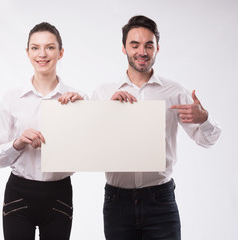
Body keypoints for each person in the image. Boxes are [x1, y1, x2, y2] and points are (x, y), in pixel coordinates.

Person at [92, 15, 221, 240]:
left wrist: (204, 118)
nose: (142, 51)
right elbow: (89, 147)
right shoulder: (103, 93)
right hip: (117, 202)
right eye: (135, 45)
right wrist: (107, 113)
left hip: (160, 200)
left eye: (148, 45)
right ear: (124, 48)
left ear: (157, 48)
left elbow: (207, 141)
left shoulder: (174, 91)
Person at [0, 22, 86, 240]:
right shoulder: (12, 99)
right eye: (35, 47)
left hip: (59, 194)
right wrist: (17, 143)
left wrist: (82, 114)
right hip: (19, 194)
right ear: (27, 52)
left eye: (50, 47)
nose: (42, 54)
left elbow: (92, 151)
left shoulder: (79, 98)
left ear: (61, 53)